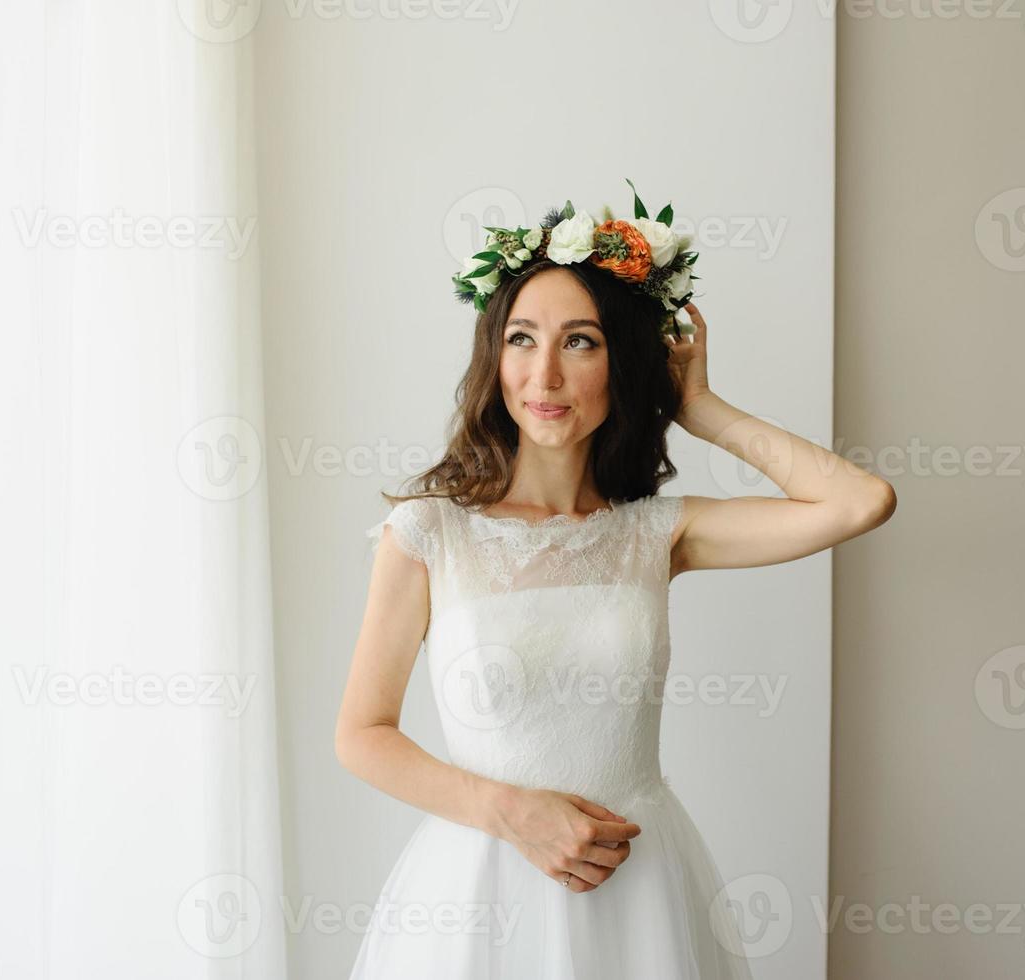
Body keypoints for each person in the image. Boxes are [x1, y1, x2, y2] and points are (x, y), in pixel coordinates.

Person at [336, 187, 896, 978]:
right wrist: (516, 815)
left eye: (582, 342)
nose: (545, 373)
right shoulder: (430, 532)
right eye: (522, 339)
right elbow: (362, 735)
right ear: (493, 357)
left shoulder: (656, 533)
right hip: (481, 894)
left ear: (621, 364)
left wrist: (698, 406)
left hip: (637, 896)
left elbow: (859, 502)